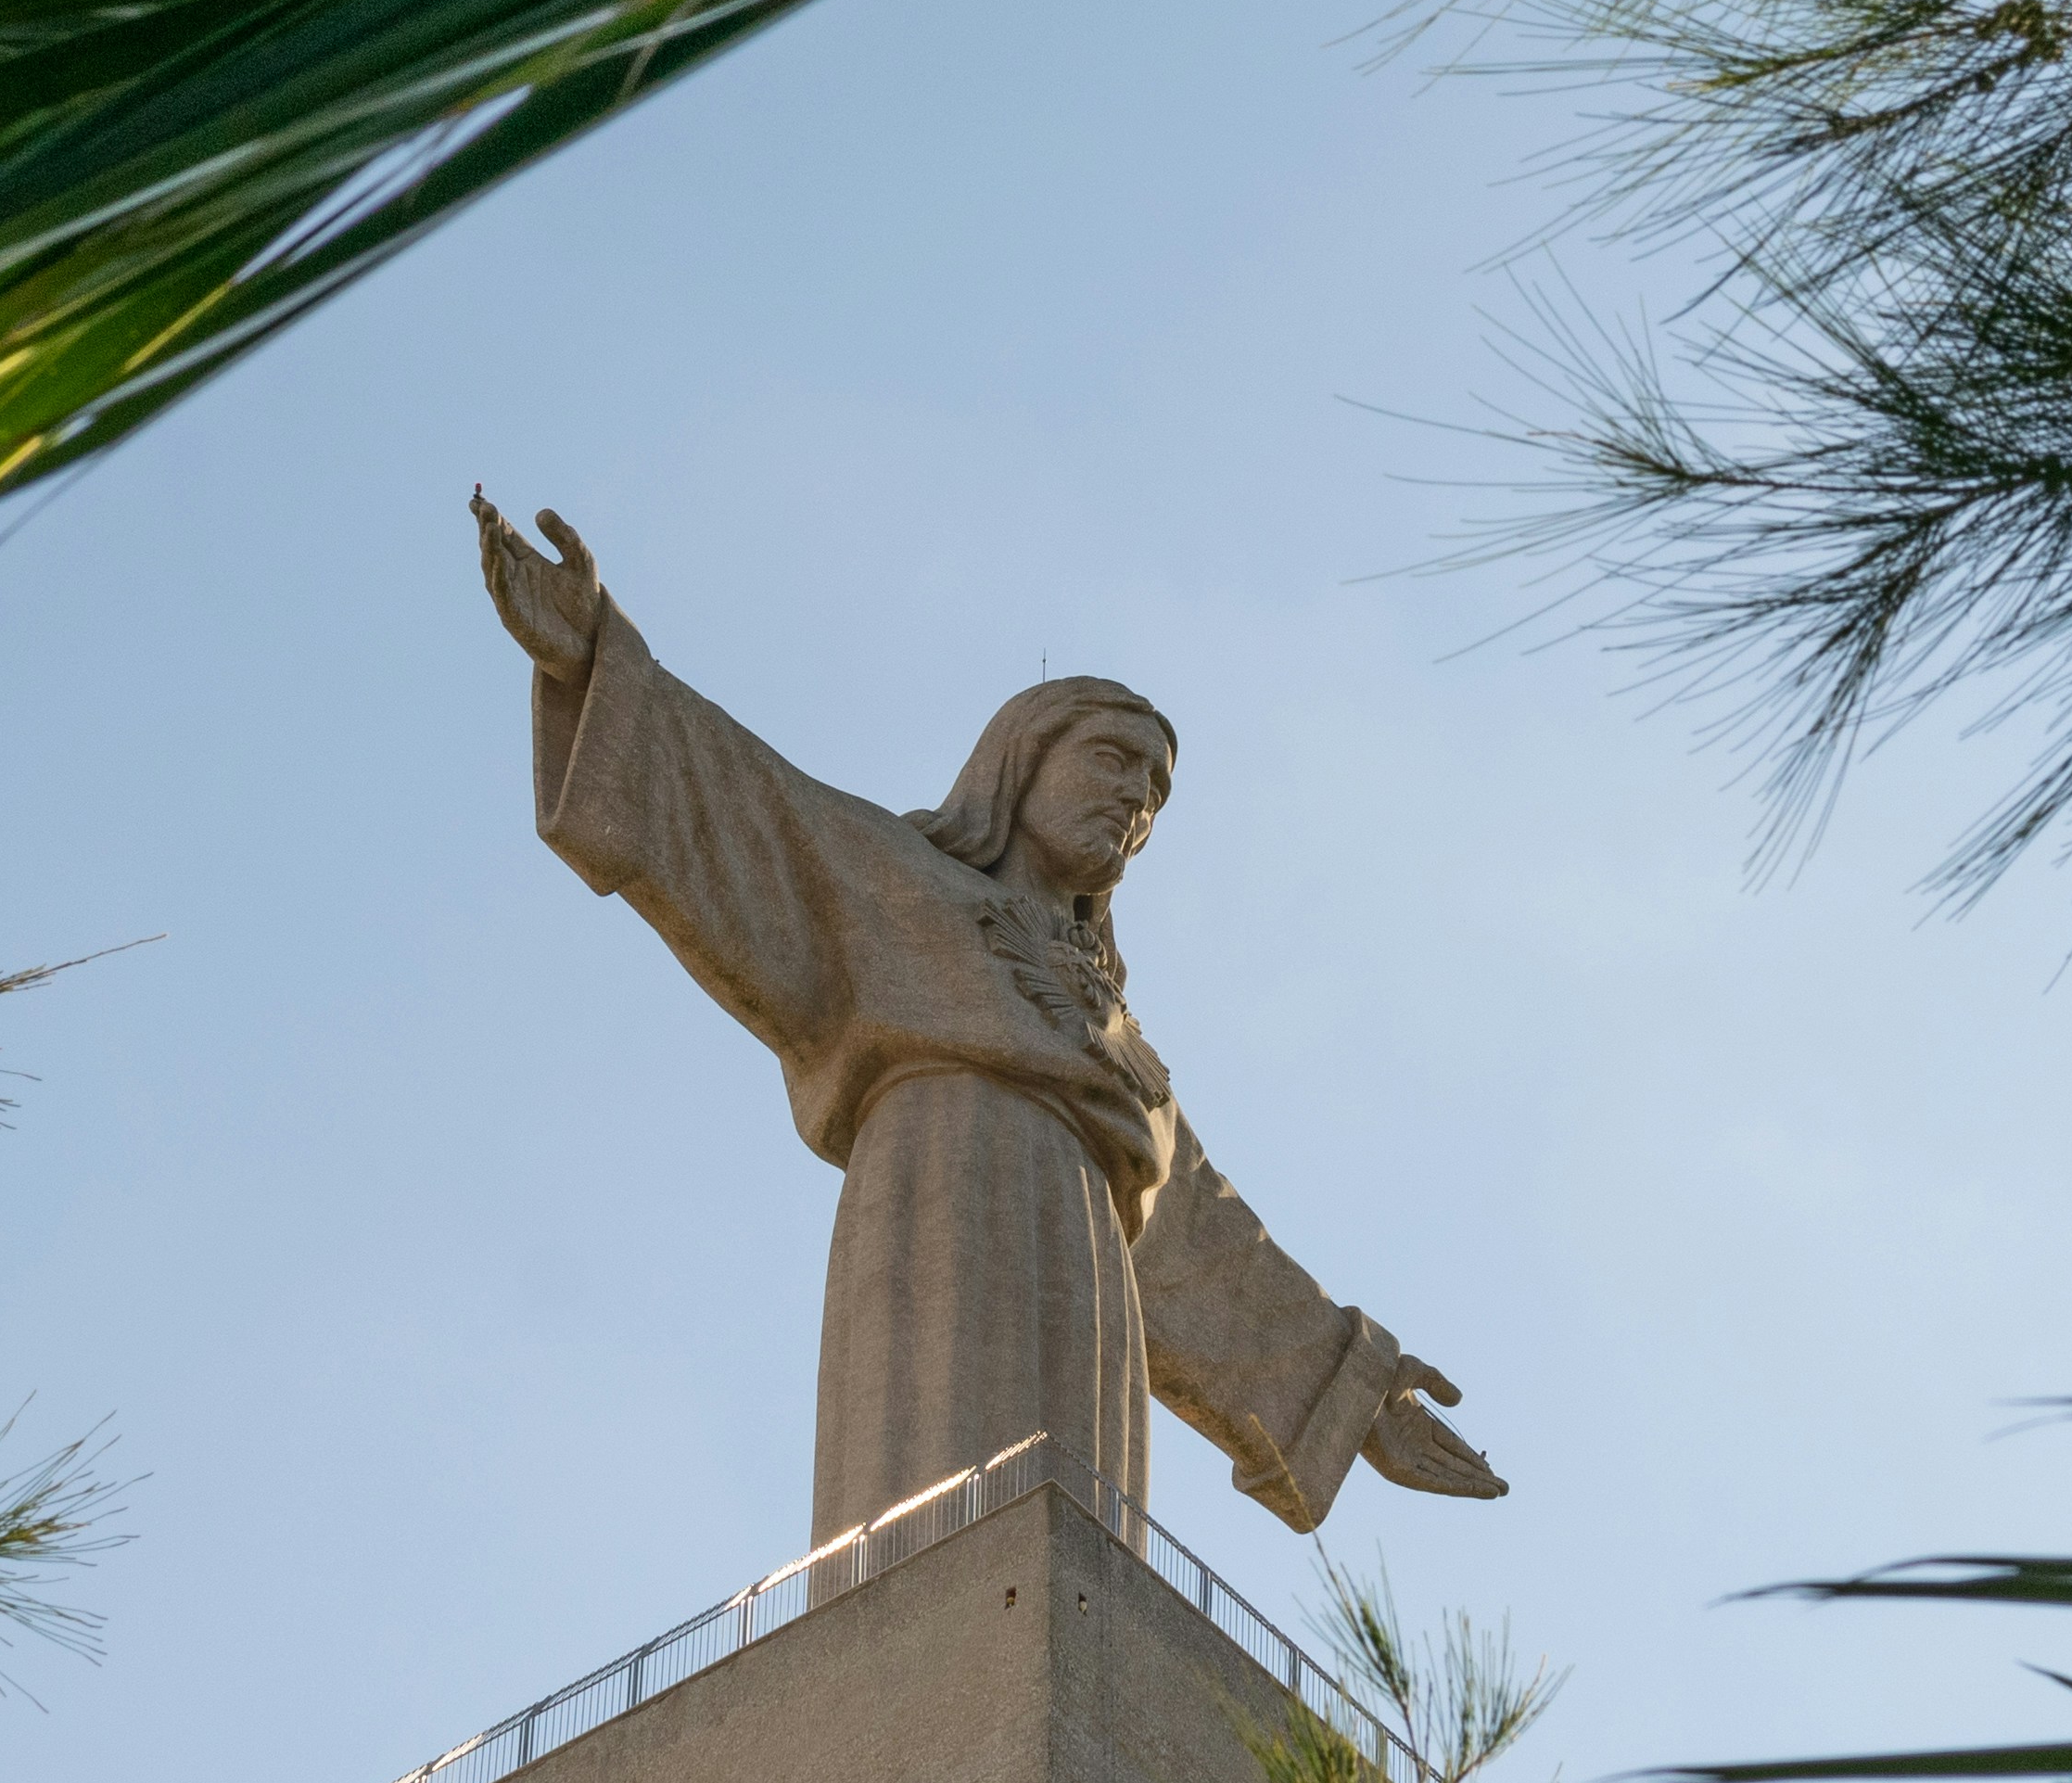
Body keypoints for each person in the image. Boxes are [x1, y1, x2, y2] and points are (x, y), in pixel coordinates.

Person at [477, 491, 1503, 1562]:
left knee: (1075, 1574)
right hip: (935, 1183)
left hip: (1085, 1261)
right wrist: (592, 657)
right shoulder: (895, 883)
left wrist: (1364, 1398)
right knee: (915, 1548)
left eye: (1154, 792)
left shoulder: (1118, 1047)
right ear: (1022, 761)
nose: (1135, 804)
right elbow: (744, 804)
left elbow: (1213, 1251)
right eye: (1112, 762)